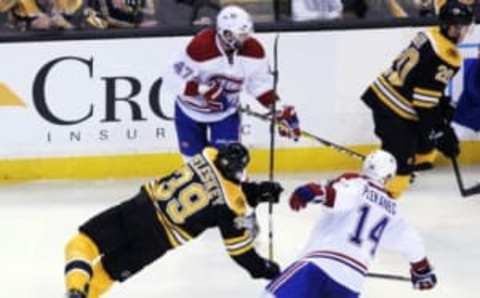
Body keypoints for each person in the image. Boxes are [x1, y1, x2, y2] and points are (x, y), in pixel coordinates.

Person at [64, 142, 283, 298]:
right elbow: (240, 251)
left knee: (82, 244)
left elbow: (216, 183)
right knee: (107, 273)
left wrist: (256, 192)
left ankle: (75, 288)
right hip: (157, 242)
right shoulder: (231, 206)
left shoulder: (206, 155)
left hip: (140, 210)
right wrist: (264, 269)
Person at [262, 150, 437, 298]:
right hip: (351, 284)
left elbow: (337, 197)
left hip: (320, 266)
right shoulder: (392, 209)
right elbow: (411, 242)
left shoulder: (356, 183)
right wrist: (421, 270)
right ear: (389, 177)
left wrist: (312, 192)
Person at [360, 0, 474, 198]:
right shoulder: (446, 56)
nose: (462, 33)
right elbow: (424, 107)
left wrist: (440, 109)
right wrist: (441, 132)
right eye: (458, 28)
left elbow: (421, 82)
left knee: (426, 149)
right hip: (394, 108)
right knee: (401, 169)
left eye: (464, 27)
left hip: (388, 95)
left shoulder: (431, 34)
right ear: (447, 26)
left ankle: (400, 162)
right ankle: (383, 200)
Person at [166, 5, 301, 159]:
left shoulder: (254, 50)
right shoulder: (201, 46)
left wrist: (278, 109)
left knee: (230, 165)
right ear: (227, 34)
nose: (246, 38)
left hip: (225, 114)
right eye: (241, 35)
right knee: (193, 167)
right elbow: (172, 77)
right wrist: (204, 90)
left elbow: (260, 86)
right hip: (189, 112)